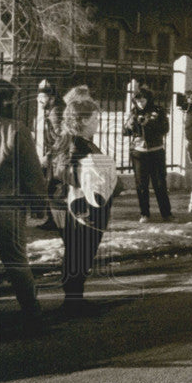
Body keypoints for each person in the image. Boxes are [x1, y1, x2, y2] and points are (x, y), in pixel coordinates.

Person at [48, 88, 122, 318]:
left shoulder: (66, 141)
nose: (98, 123)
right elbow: (69, 176)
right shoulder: (78, 145)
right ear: (84, 121)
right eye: (96, 118)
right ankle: (73, 303)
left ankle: (73, 299)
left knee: (74, 253)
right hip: (81, 208)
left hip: (64, 207)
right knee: (80, 254)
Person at [0, 79, 48, 331]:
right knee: (16, 261)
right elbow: (31, 173)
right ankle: (33, 315)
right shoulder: (16, 129)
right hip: (7, 207)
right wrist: (40, 204)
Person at [123, 85, 172, 223]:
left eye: (143, 99)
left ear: (148, 99)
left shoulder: (158, 110)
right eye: (137, 100)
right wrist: (129, 126)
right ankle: (144, 214)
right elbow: (125, 132)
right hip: (139, 153)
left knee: (160, 183)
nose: (140, 102)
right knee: (141, 185)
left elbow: (165, 128)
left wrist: (149, 123)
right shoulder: (133, 113)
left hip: (156, 151)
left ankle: (166, 213)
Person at [34, 81, 65, 230]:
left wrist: (50, 154)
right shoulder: (53, 109)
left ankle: (54, 221)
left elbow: (62, 136)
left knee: (53, 188)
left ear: (51, 97)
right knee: (53, 187)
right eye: (38, 96)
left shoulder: (55, 112)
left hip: (58, 155)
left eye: (42, 96)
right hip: (57, 155)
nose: (38, 99)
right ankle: (54, 220)